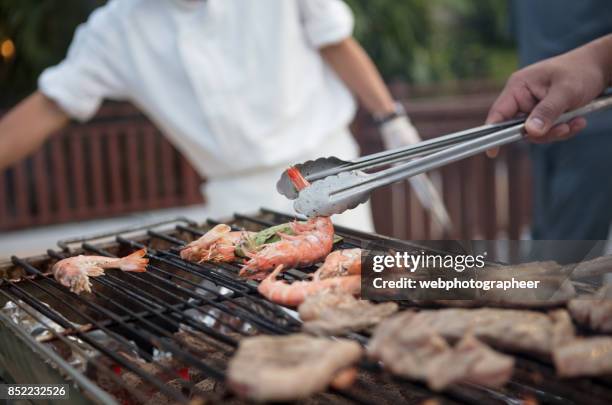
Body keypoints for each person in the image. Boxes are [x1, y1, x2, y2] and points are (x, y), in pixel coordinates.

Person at [0, 0, 450, 232]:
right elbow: (50, 105)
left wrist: (390, 119)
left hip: (328, 174)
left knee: (347, 318)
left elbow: (334, 40)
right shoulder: (116, 26)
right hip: (234, 197)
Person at [487, 1, 612, 253]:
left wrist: (599, 62)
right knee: (549, 256)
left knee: (559, 264)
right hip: (546, 126)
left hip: (594, 124)